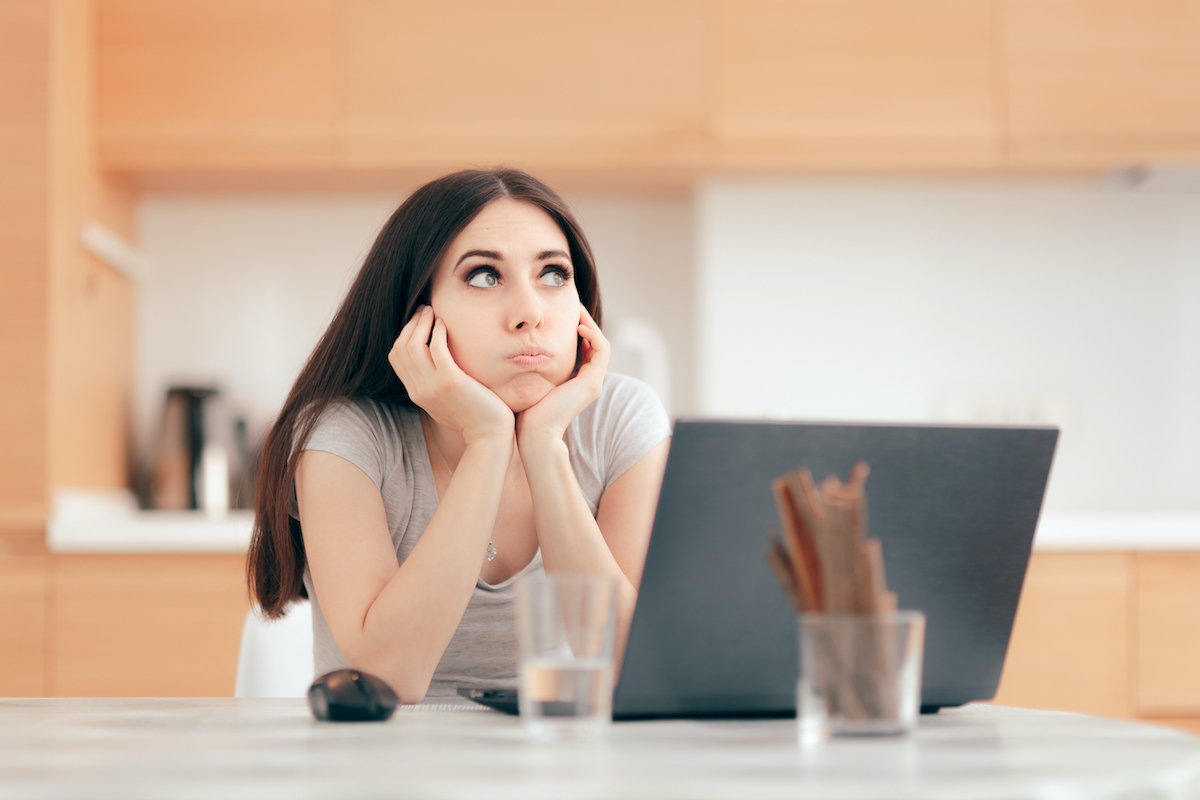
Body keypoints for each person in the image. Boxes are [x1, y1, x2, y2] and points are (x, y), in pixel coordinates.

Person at [247, 168, 672, 703]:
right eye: (484, 276)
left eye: (554, 275)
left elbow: (629, 666)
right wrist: (488, 440)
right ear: (416, 313)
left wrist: (543, 445)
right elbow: (389, 678)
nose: (530, 313)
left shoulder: (621, 420)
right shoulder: (345, 436)